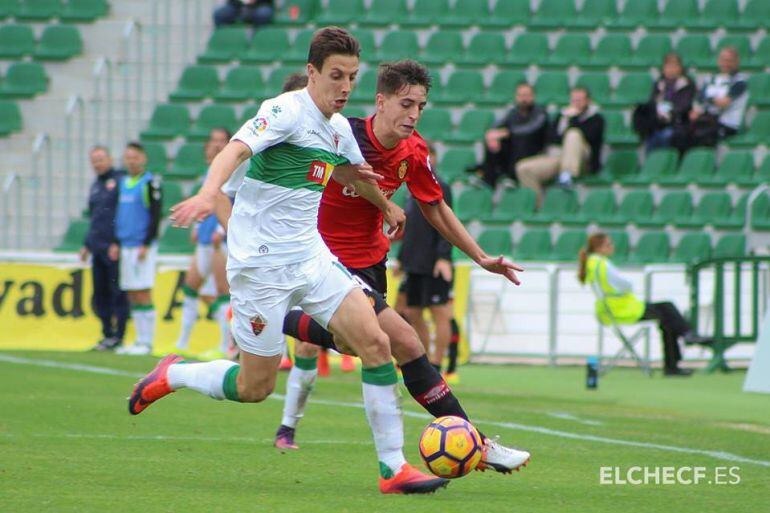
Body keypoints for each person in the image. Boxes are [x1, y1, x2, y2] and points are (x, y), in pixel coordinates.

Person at [128, 28, 450, 495]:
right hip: (260, 266)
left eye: (353, 78)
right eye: (335, 76)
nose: (344, 87)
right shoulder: (282, 111)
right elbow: (234, 151)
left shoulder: (338, 128)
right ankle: (173, 373)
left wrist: (385, 206)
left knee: (376, 344)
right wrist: (207, 193)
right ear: (313, 72)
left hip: (311, 256)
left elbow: (349, 172)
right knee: (255, 387)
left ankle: (393, 469)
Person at [266, 60, 530, 474]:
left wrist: (479, 256)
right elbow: (331, 170)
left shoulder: (413, 151)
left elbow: (435, 206)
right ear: (381, 101)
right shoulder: (343, 133)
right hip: (325, 260)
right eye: (406, 103)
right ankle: (476, 444)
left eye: (421, 106)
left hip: (370, 264)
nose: (413, 114)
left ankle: (280, 316)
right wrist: (383, 200)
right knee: (404, 341)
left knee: (363, 345)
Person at [578, 232, 712, 377]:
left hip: (610, 309)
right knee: (667, 309)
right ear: (599, 248)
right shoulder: (603, 264)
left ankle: (681, 348)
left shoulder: (591, 263)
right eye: (608, 244)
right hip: (624, 309)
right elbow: (623, 284)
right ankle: (685, 338)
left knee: (667, 319)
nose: (612, 247)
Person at [396, 145, 455, 375]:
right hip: (414, 262)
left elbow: (447, 222)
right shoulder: (411, 189)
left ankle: (438, 364)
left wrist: (443, 257)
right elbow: (410, 228)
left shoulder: (441, 186)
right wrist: (402, 258)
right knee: (412, 312)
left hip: (433, 260)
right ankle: (424, 361)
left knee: (439, 311)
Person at [174, 129, 233, 359]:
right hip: (205, 239)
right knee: (190, 287)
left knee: (222, 292)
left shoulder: (231, 170)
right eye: (213, 141)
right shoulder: (209, 172)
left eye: (221, 141)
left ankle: (224, 346)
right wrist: (198, 227)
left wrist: (221, 229)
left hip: (221, 240)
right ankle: (182, 342)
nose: (216, 146)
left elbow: (232, 200)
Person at [111, 142, 163, 356]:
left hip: (141, 246)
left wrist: (146, 242)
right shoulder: (123, 183)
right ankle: (139, 339)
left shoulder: (150, 183)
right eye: (128, 157)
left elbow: (155, 214)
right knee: (132, 292)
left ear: (143, 158)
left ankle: (147, 342)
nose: (132, 161)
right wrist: (116, 241)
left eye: (135, 157)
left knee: (142, 291)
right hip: (126, 244)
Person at [516, 87, 604, 207]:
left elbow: (590, 136)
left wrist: (574, 120)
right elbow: (552, 138)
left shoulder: (596, 119)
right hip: (558, 157)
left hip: (582, 160)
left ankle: (567, 175)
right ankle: (538, 207)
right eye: (574, 100)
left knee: (573, 134)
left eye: (580, 100)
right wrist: (566, 120)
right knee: (523, 168)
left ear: (588, 101)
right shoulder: (562, 117)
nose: (576, 103)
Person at [80, 146, 129, 352]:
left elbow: (123, 215)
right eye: (94, 160)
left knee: (117, 291)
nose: (97, 163)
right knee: (100, 293)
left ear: (110, 158)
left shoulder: (119, 181)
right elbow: (95, 219)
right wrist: (86, 244)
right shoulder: (96, 185)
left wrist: (117, 241)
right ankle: (107, 333)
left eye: (100, 159)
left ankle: (119, 336)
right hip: (98, 247)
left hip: (113, 247)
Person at [476, 83, 548, 188]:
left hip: (535, 151)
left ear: (533, 96)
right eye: (521, 95)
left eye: (527, 95)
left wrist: (507, 133)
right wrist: (493, 134)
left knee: (520, 139)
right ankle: (489, 179)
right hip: (513, 152)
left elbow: (530, 129)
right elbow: (499, 125)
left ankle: (513, 177)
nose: (524, 99)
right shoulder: (513, 113)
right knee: (493, 139)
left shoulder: (540, 113)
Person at [679, 47, 748, 151]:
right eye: (723, 60)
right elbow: (699, 99)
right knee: (680, 133)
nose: (726, 63)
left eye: (730, 60)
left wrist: (708, 99)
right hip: (708, 120)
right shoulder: (711, 79)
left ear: (736, 62)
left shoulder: (739, 82)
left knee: (701, 137)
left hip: (727, 124)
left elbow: (724, 103)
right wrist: (699, 108)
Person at [634, 53, 696, 153]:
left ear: (680, 68)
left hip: (677, 123)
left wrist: (667, 111)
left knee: (665, 135)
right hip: (658, 122)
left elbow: (684, 106)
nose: (671, 69)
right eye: (668, 66)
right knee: (651, 135)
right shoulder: (659, 84)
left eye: (674, 66)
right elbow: (652, 102)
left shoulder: (687, 84)